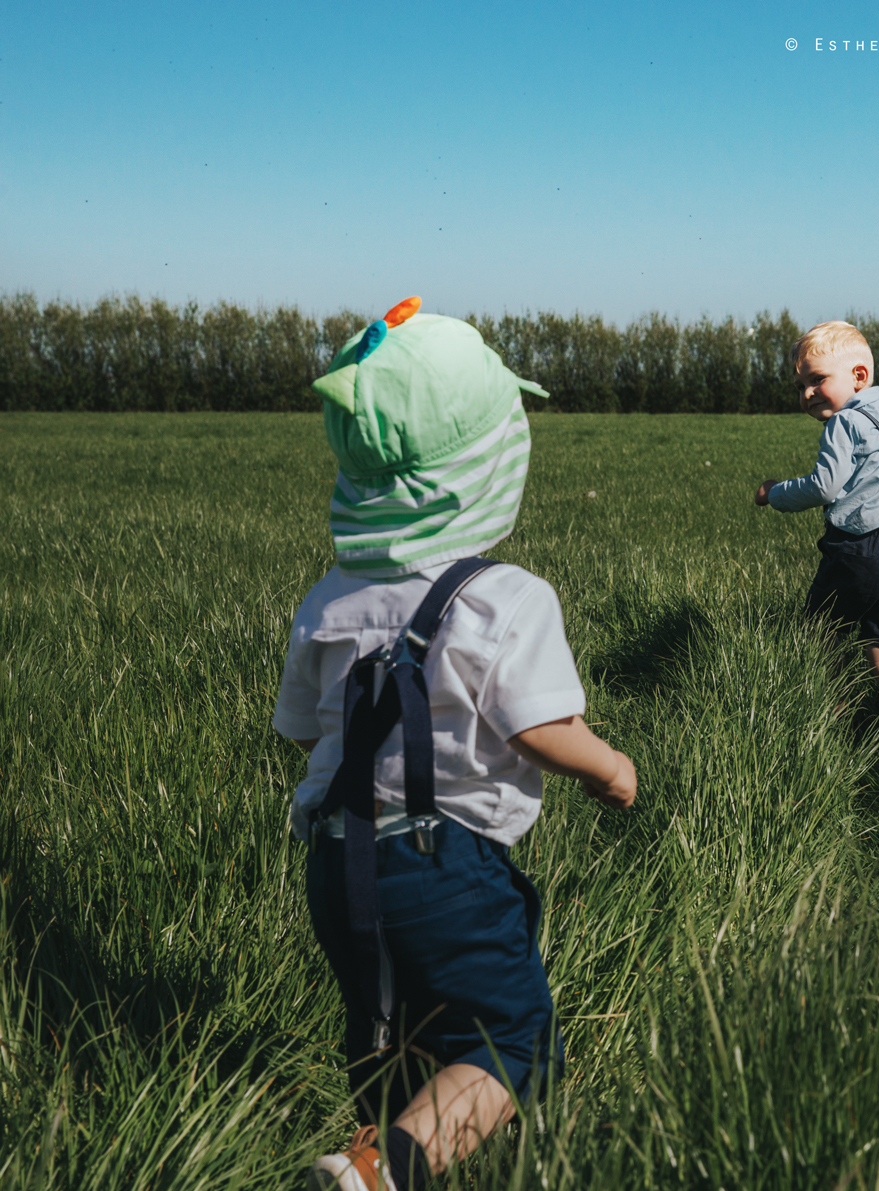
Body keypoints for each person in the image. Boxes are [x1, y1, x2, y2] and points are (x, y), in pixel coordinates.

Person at [274, 298, 637, 1191]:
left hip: (334, 854)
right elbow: (538, 726)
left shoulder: (330, 597)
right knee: (509, 1038)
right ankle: (383, 1169)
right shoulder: (504, 597)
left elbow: (300, 728)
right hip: (443, 864)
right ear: (486, 469)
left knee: (384, 1022)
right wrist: (609, 766)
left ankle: (379, 1139)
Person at [754, 320, 879, 746]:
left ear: (859, 377)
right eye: (801, 385)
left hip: (859, 551)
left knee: (817, 639)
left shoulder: (843, 424)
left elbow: (824, 486)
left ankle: (831, 727)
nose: (806, 393)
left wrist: (775, 493)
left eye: (817, 380)